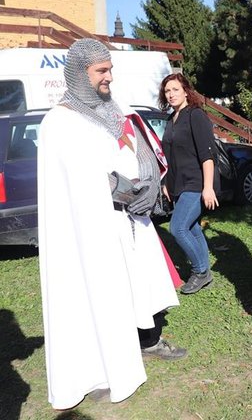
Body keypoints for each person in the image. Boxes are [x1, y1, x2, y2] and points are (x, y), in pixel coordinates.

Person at [38, 38, 186, 410]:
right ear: (79, 73)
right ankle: (97, 370)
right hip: (87, 233)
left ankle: (133, 355)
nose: (109, 78)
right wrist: (120, 188)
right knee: (92, 301)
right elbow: (79, 178)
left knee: (132, 296)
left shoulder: (109, 108)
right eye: (102, 71)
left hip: (126, 221)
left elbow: (132, 149)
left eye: (110, 70)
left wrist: (144, 183)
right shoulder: (59, 122)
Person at [159, 73, 218, 294]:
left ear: (185, 91)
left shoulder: (195, 115)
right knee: (192, 228)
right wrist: (166, 182)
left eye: (175, 89)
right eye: (167, 91)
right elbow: (169, 155)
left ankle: (200, 271)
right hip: (178, 184)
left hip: (197, 183)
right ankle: (205, 273)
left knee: (178, 227)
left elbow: (207, 154)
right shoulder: (170, 119)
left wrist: (208, 187)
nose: (171, 94)